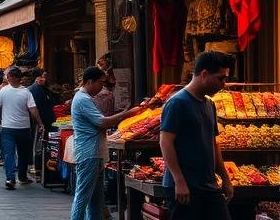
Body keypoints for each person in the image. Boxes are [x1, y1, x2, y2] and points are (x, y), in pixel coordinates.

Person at [159, 51, 235, 220]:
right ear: (204, 74)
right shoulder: (177, 103)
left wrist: (225, 178)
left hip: (209, 185)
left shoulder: (209, 104)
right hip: (185, 186)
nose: (223, 84)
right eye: (220, 78)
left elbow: (213, 143)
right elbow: (165, 143)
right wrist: (179, 181)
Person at [71, 68, 147, 220]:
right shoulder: (82, 99)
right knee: (83, 196)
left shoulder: (85, 98)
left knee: (96, 199)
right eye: (100, 83)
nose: (102, 87)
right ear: (90, 81)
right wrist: (128, 113)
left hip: (95, 153)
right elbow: (101, 122)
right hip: (89, 153)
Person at [0, 67, 43, 190]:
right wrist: (40, 123)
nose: (7, 78)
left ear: (13, 78)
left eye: (9, 76)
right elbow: (33, 109)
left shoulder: (4, 91)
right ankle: (21, 177)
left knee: (9, 154)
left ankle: (11, 178)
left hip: (8, 128)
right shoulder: (26, 92)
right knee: (22, 153)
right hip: (23, 128)